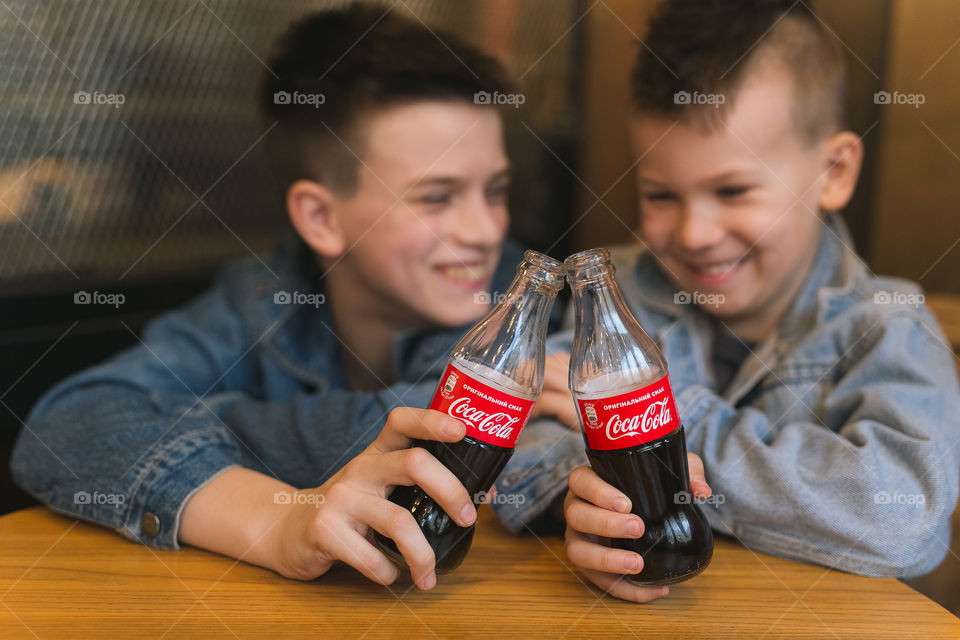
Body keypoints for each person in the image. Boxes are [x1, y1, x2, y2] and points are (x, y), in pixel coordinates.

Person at [12, 4, 545, 592]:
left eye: (495, 190)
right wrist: (274, 518)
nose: (484, 230)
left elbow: (439, 438)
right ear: (320, 218)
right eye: (437, 198)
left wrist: (203, 425)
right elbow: (65, 424)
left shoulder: (530, 311)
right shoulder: (259, 297)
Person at [493, 0, 960, 603]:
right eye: (661, 195)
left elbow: (901, 517)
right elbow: (529, 423)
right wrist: (584, 501)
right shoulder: (621, 291)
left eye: (733, 190)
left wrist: (667, 420)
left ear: (835, 171)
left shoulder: (890, 326)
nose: (693, 234)